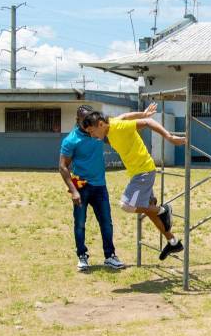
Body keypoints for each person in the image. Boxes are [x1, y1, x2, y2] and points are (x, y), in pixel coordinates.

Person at [59, 103, 155, 272]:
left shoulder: (100, 132)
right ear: (78, 120)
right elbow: (63, 166)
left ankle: (110, 256)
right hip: (81, 186)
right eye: (85, 122)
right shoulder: (70, 140)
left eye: (93, 121)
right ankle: (82, 256)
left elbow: (123, 119)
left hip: (100, 186)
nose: (91, 126)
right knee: (80, 223)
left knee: (106, 223)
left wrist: (144, 114)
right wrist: (73, 190)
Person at [81, 111, 187, 260]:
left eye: (92, 132)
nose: (92, 135)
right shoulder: (110, 125)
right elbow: (124, 115)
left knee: (126, 205)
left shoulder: (118, 127)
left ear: (100, 124)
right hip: (139, 172)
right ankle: (173, 241)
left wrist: (169, 137)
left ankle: (164, 210)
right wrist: (142, 113)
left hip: (143, 171)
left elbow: (149, 122)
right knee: (149, 210)